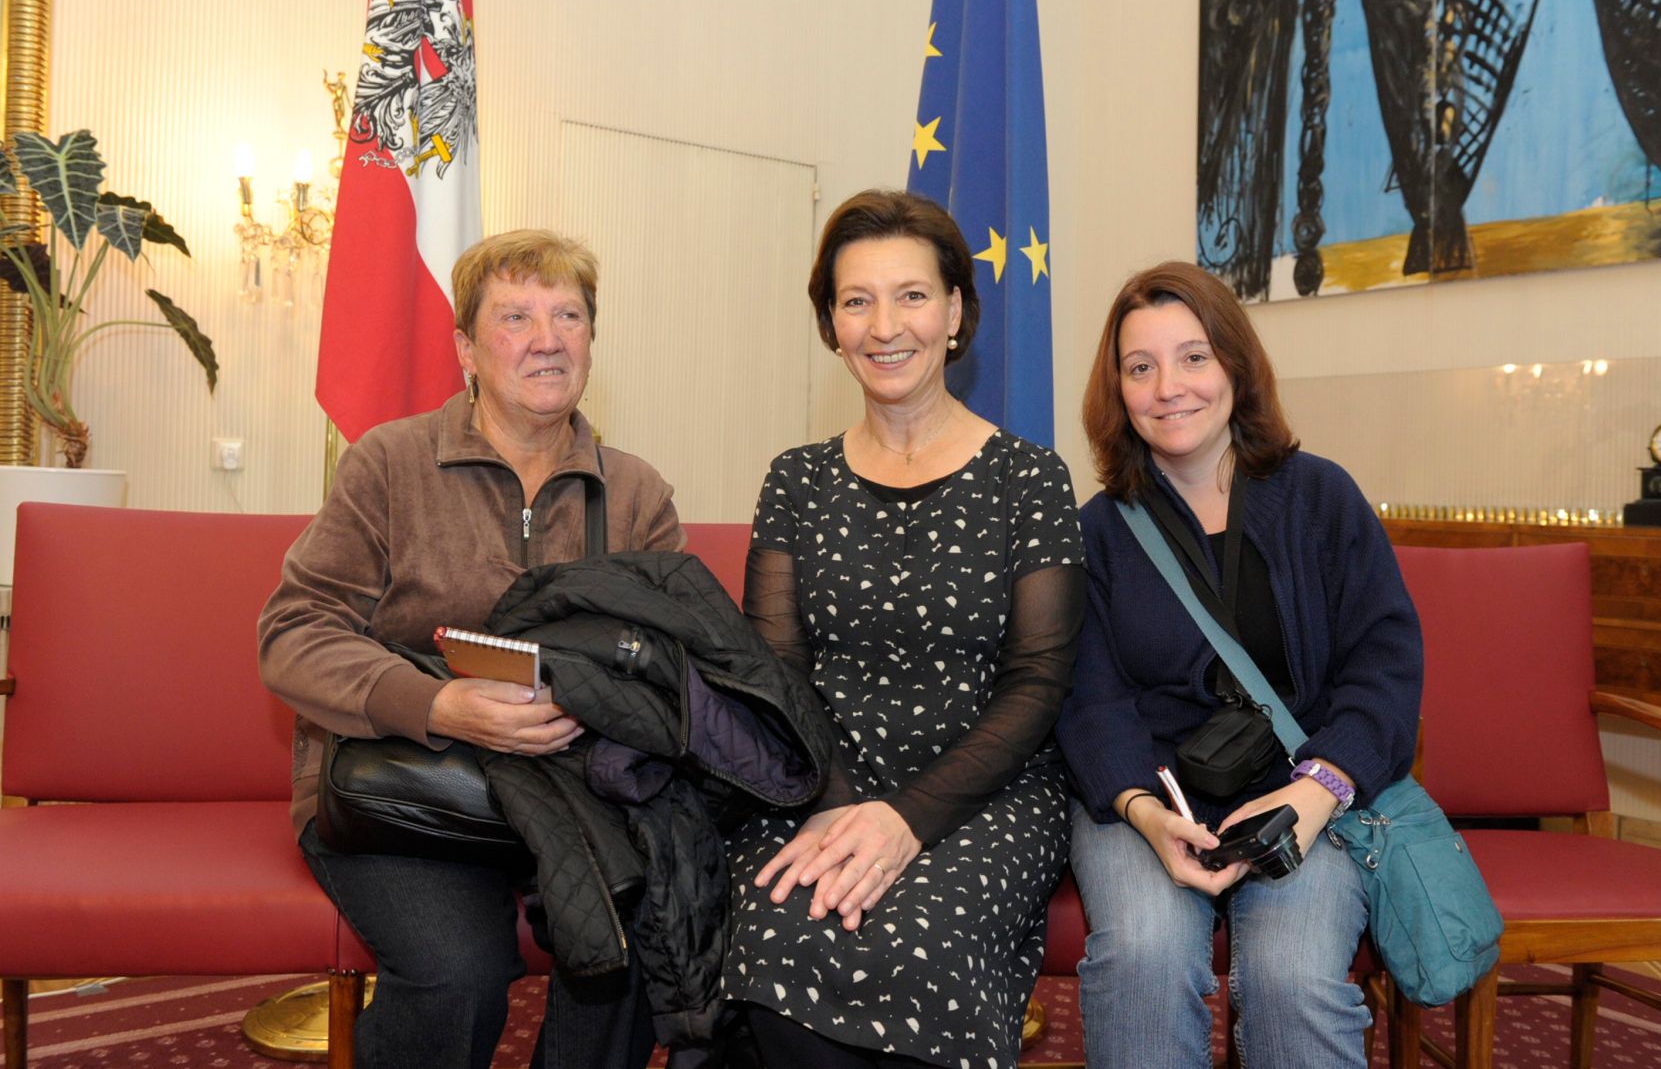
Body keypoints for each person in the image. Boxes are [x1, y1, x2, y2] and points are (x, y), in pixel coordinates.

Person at [259, 229, 684, 1069]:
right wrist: (437, 704)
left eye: (569, 315)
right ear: (466, 348)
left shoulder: (636, 493)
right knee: (458, 975)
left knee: (643, 946)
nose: (549, 337)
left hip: (573, 797)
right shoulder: (390, 464)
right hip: (408, 793)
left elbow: (674, 666)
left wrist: (596, 700)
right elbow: (292, 635)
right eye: (517, 317)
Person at [721, 189, 1086, 1069]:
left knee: (918, 954)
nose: (886, 325)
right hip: (817, 785)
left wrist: (907, 820)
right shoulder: (795, 480)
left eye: (912, 295)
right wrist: (846, 811)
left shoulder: (1029, 479)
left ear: (957, 312)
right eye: (856, 300)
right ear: (831, 325)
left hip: (984, 797)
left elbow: (1039, 682)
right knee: (775, 944)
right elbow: (776, 667)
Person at [1057, 261, 1420, 1069]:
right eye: (1139, 367)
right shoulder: (1097, 531)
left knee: (1293, 977)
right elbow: (1087, 697)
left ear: (1234, 365)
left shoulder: (1322, 497)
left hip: (1303, 790)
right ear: (1116, 390)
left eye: (1193, 357)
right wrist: (1148, 814)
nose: (1168, 387)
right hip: (1148, 799)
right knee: (1143, 958)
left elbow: (1384, 666)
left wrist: (1317, 790)